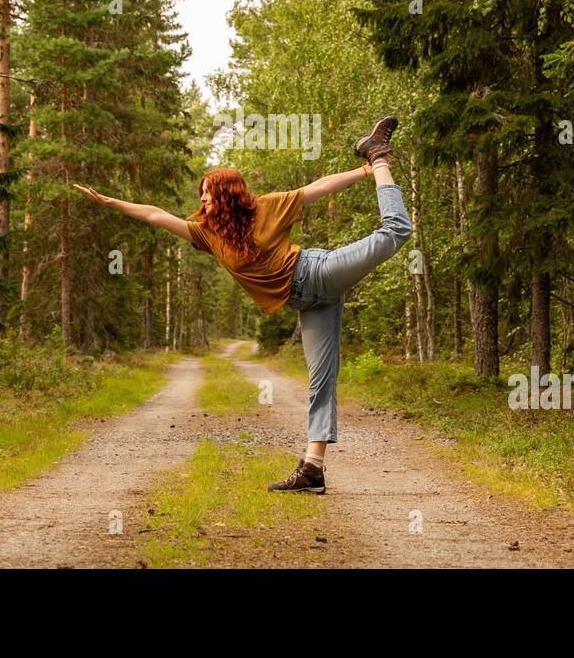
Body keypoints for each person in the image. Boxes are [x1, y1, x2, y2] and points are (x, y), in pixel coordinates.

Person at [73, 116, 411, 494]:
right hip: (307, 303)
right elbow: (156, 214)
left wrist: (365, 171)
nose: (201, 199)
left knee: (396, 232)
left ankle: (379, 156)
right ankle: (312, 470)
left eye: (208, 192)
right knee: (321, 382)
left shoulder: (266, 207)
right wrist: (111, 202)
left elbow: (318, 188)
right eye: (201, 193)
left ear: (227, 193)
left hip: (316, 272)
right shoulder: (207, 234)